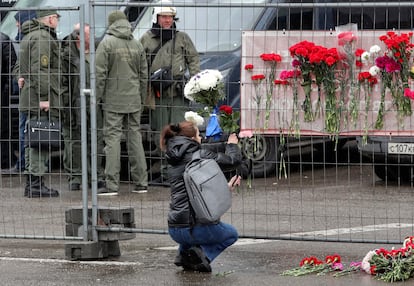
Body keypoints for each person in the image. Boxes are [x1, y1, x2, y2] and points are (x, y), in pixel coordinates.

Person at [160, 120, 242, 272]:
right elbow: (233, 161)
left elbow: (195, 189)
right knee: (231, 234)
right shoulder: (199, 154)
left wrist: (225, 188)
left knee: (187, 215)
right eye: (198, 134)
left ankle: (183, 254)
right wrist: (232, 145)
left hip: (174, 229)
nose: (201, 138)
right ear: (191, 139)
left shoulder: (172, 158)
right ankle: (202, 256)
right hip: (194, 228)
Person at [139, 0, 200, 186]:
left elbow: (194, 60)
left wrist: (193, 82)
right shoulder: (146, 38)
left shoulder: (182, 38)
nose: (167, 20)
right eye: (164, 17)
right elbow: (140, 63)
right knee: (160, 132)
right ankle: (165, 172)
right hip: (156, 94)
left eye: (170, 17)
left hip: (178, 95)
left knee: (180, 131)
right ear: (156, 17)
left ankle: (178, 172)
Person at [95, 11, 148, 195]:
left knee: (112, 139)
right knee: (135, 138)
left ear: (111, 24)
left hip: (113, 99)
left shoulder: (106, 43)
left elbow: (100, 75)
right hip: (133, 98)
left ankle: (111, 184)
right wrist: (140, 98)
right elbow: (143, 75)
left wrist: (96, 97)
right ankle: (141, 182)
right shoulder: (136, 43)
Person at [19, 9, 61, 198]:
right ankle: (36, 183)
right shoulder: (43, 37)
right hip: (39, 97)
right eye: (56, 18)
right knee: (39, 139)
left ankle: (32, 182)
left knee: (32, 138)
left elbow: (22, 67)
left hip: (30, 94)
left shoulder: (30, 35)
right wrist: (45, 97)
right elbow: (41, 70)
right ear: (50, 19)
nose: (57, 21)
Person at [61, 23, 105, 191]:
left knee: (96, 139)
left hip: (95, 103)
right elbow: (62, 82)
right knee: (74, 141)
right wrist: (66, 104)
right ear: (78, 36)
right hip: (73, 104)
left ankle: (96, 175)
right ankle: (76, 176)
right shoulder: (66, 55)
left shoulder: (98, 51)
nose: (91, 38)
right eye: (87, 35)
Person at [1, 10, 37, 175]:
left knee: (23, 128)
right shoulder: (6, 40)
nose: (16, 25)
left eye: (18, 22)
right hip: (10, 93)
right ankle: (24, 164)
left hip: (20, 92)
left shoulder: (14, 40)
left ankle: (25, 164)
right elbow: (12, 67)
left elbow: (13, 68)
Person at [0, 31, 17, 170]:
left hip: (3, 89)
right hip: (2, 90)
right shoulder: (4, 39)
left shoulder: (4, 39)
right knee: (4, 125)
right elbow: (12, 64)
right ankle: (5, 159)